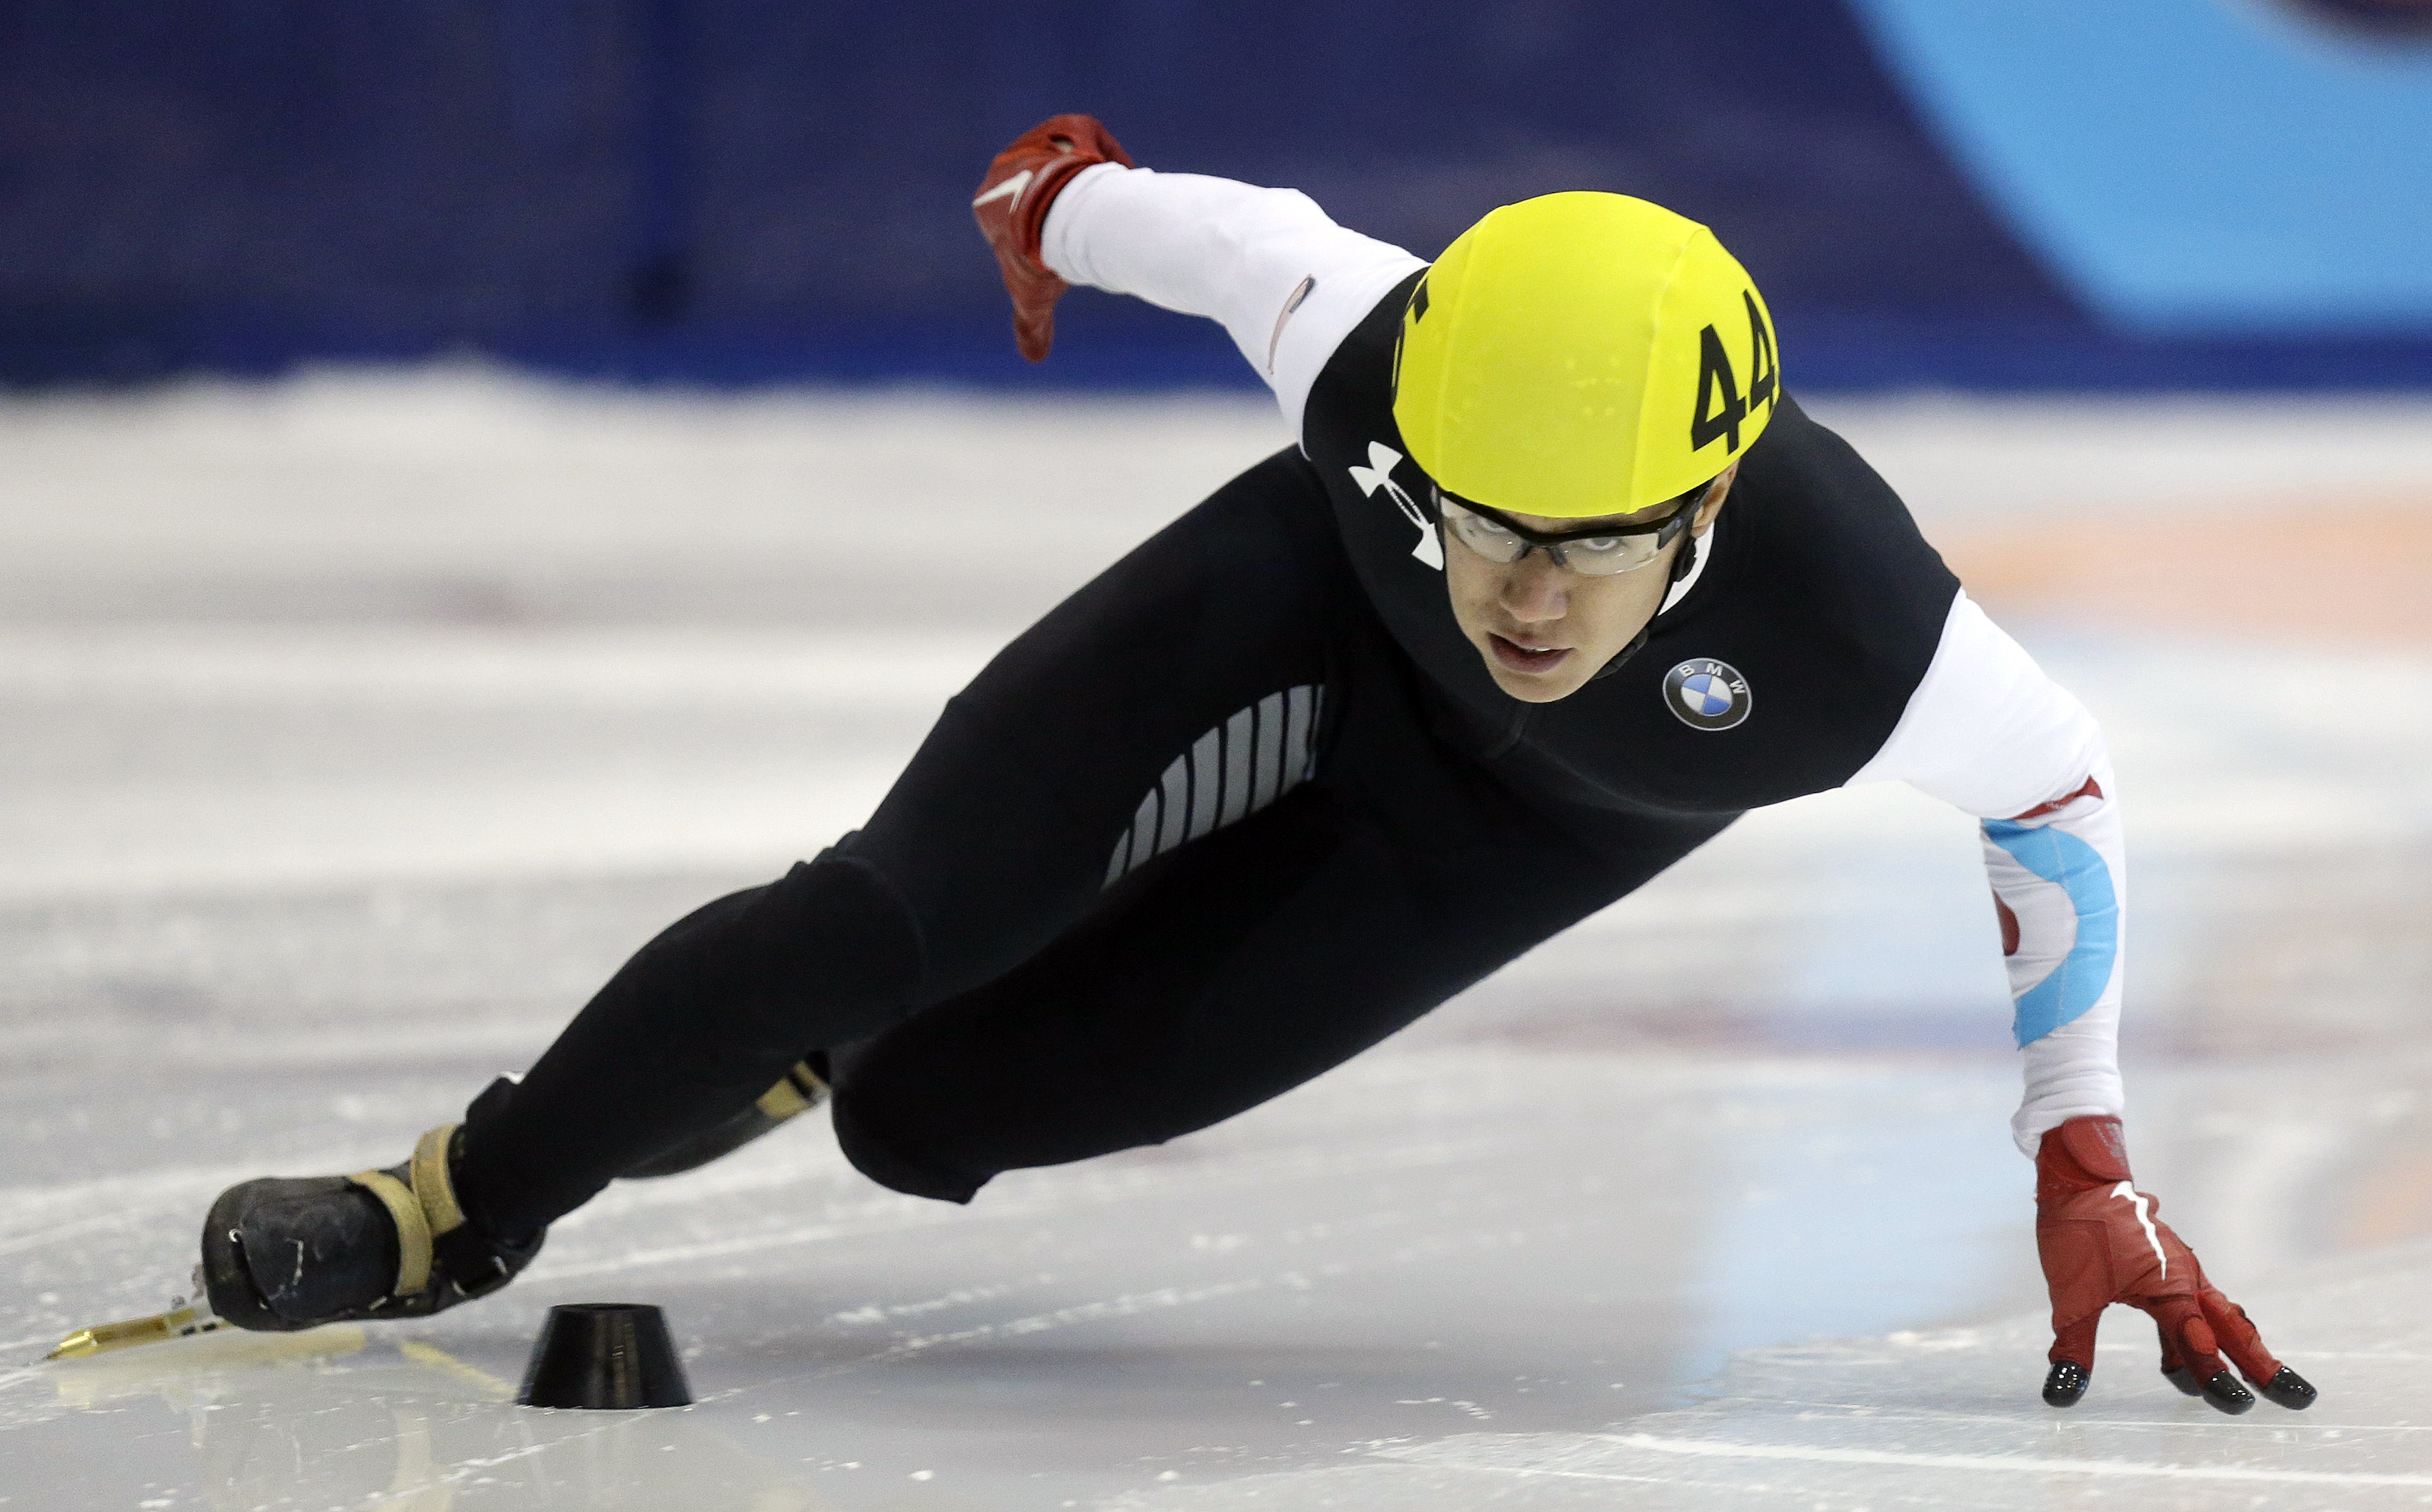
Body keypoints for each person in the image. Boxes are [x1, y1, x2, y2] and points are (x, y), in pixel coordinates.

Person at [199, 115, 2314, 1416]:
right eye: (1482, 514)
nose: (1520, 588)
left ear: (1708, 510)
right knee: (876, 921)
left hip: (1505, 843)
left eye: (1588, 546)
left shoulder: (1859, 630)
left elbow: (2055, 791)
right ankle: (447, 1204)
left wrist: (2080, 1144)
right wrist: (1053, 196)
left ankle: (826, 1057)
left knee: (928, 1102)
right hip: (1290, 620)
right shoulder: (1373, 349)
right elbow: (1180, 224)